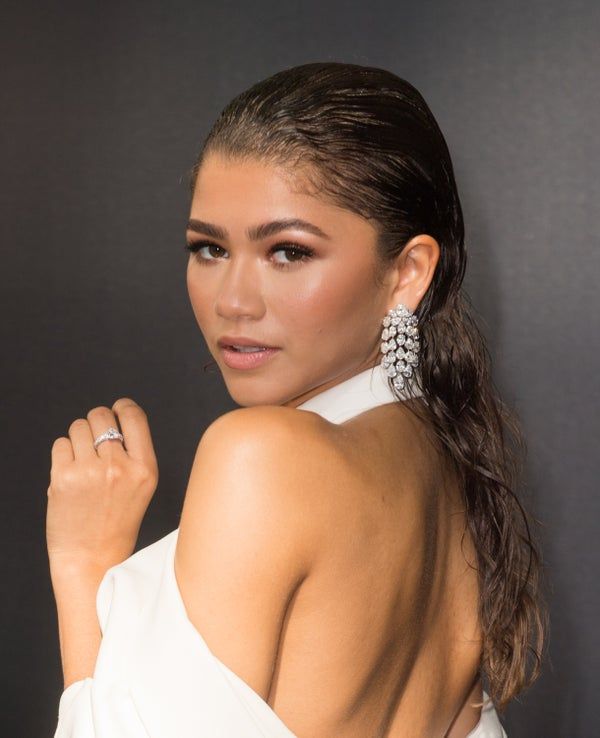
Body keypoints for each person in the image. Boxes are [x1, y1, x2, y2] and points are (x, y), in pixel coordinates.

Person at [47, 62, 547, 737]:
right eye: (208, 248)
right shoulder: (448, 471)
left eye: (287, 252)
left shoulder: (258, 455)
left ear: (407, 273)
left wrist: (86, 562)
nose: (232, 300)